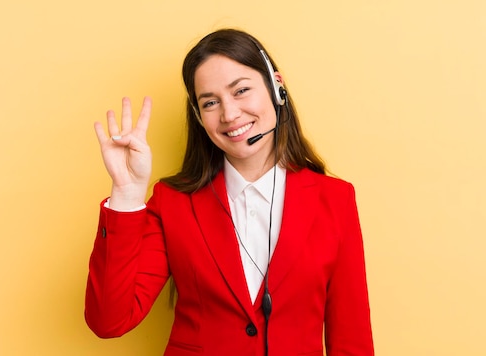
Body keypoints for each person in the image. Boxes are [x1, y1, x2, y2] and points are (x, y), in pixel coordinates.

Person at [85, 28, 374, 355]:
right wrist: (126, 195)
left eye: (241, 91)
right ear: (199, 117)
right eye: (210, 102)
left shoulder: (335, 199)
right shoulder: (172, 202)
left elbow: (353, 341)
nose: (230, 114)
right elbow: (109, 321)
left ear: (276, 88)